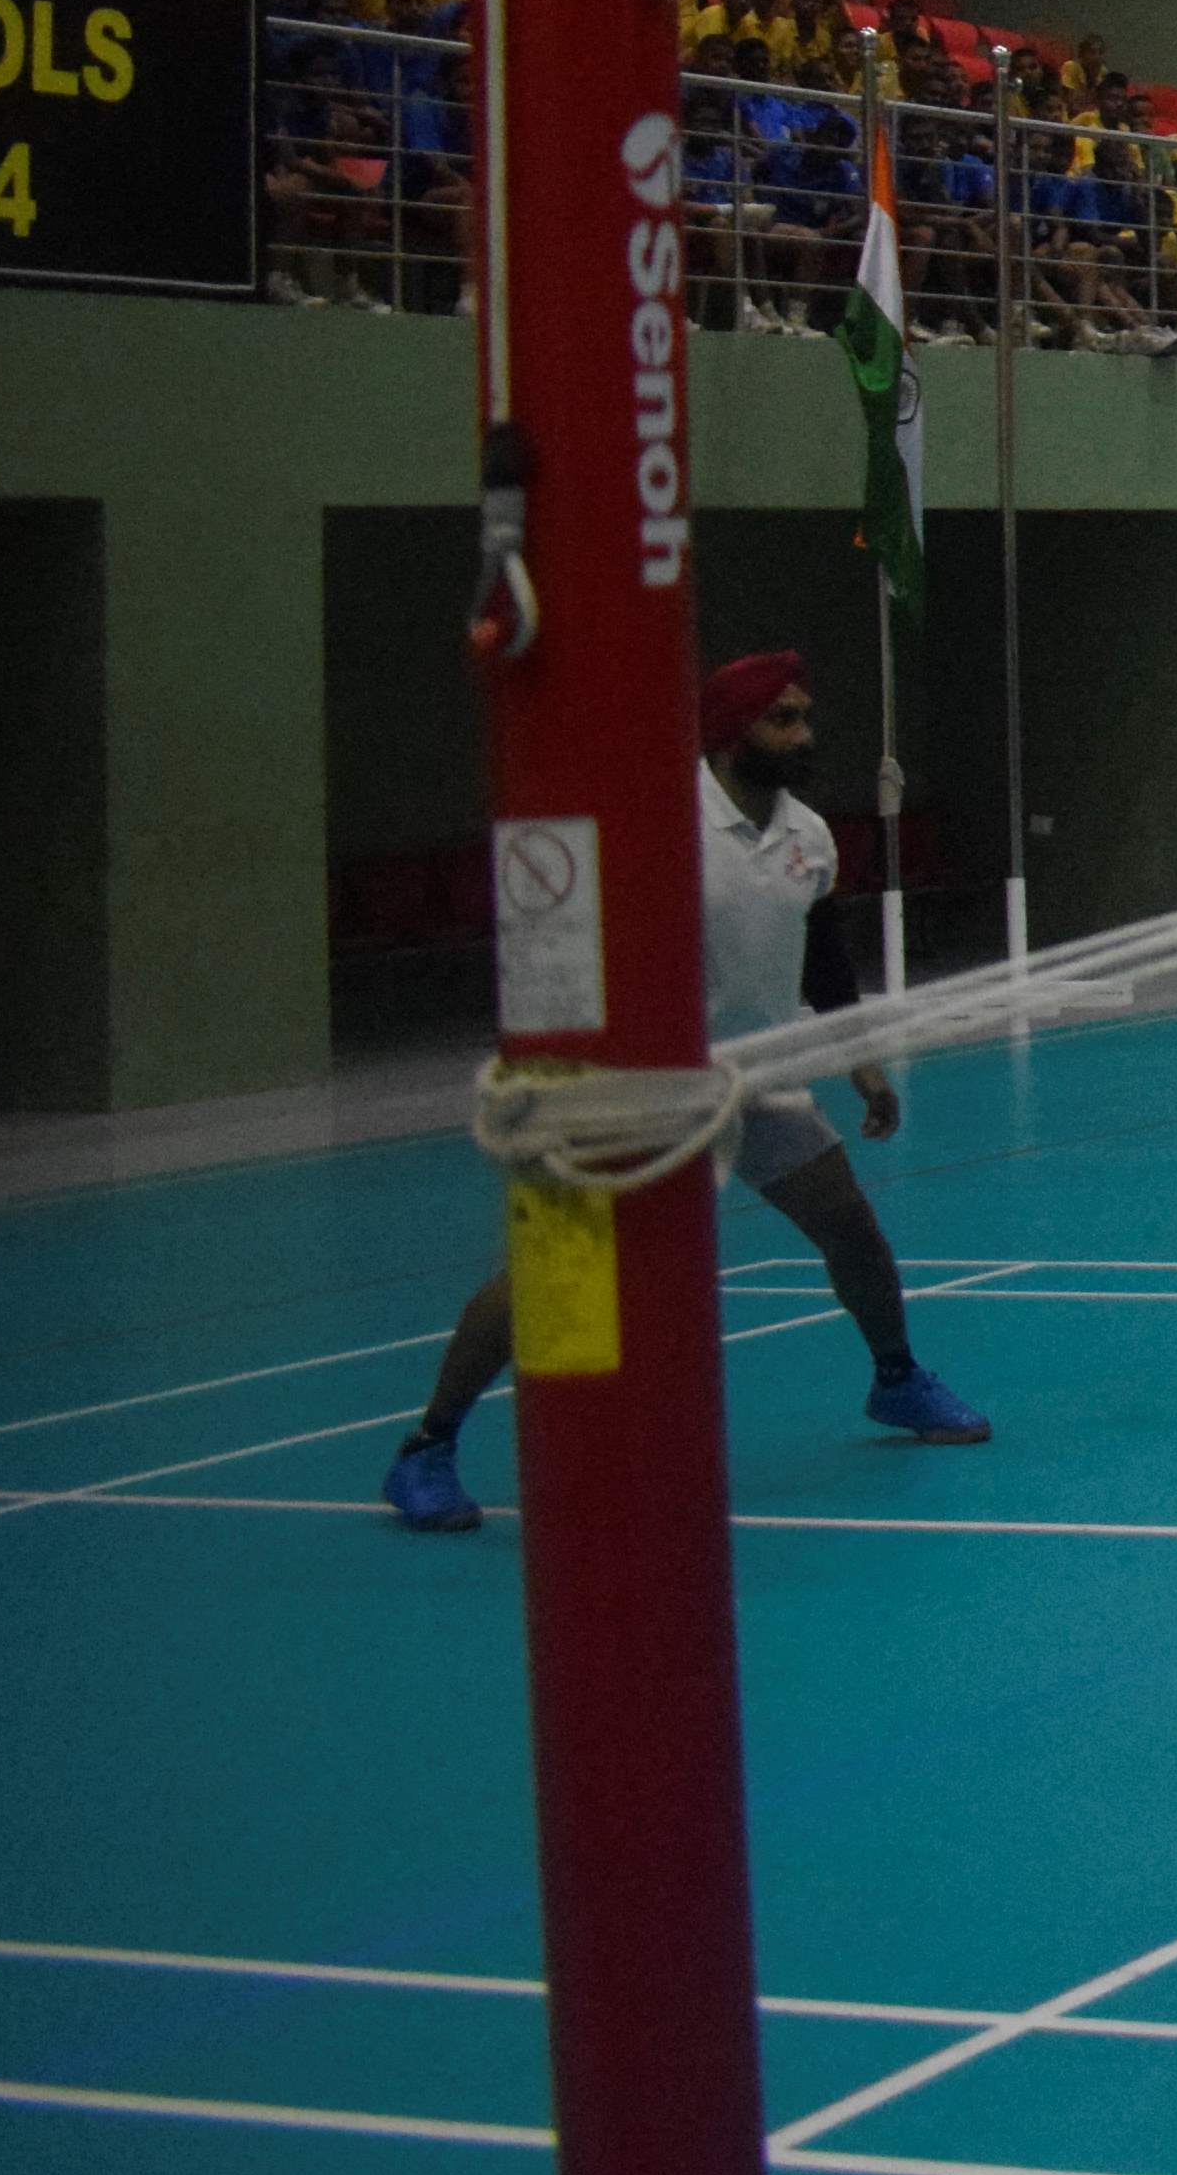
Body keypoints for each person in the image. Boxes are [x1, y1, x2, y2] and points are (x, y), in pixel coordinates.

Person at [384, 653, 991, 1525]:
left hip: (765, 1081)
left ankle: (896, 1380)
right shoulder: (658, 827)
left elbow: (823, 960)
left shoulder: (810, 836)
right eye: (783, 719)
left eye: (806, 716)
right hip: (649, 1090)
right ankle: (427, 1448)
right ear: (732, 730)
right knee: (552, 1275)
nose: (804, 735)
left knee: (851, 1229)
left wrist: (857, 1059)